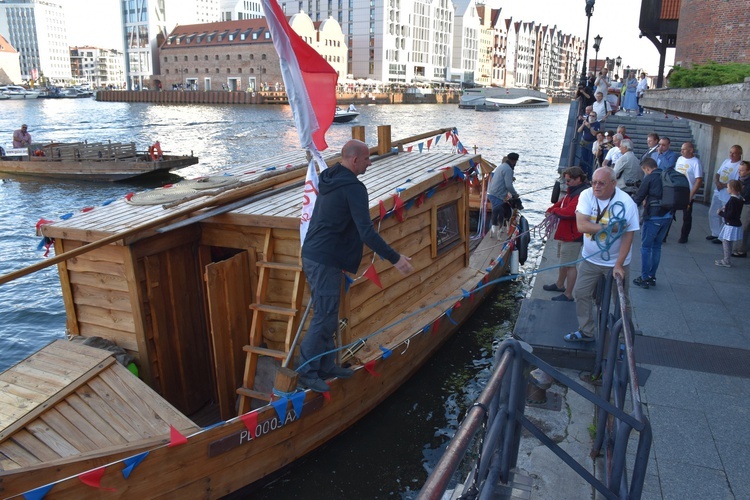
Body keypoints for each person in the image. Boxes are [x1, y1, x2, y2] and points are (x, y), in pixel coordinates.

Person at [298, 140, 414, 392]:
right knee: (324, 315)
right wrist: (395, 258)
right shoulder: (354, 188)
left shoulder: (330, 177)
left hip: (316, 253)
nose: (370, 163)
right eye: (367, 159)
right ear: (353, 160)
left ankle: (326, 365)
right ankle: (306, 372)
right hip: (324, 258)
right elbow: (366, 232)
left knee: (329, 312)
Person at [563, 167, 640, 343]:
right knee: (581, 293)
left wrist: (619, 264)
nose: (596, 187)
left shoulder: (627, 203)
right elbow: (581, 225)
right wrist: (611, 227)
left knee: (621, 301)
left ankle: (623, 339)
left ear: (613, 184)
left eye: (601, 183)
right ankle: (587, 331)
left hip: (615, 261)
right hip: (590, 259)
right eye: (594, 182)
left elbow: (629, 235)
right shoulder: (586, 195)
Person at [542, 167, 589, 301]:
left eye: (568, 180)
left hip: (572, 236)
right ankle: (559, 284)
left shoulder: (581, 195)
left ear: (578, 179)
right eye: (565, 180)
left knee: (570, 265)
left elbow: (569, 212)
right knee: (563, 262)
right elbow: (561, 203)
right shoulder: (573, 191)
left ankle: (568, 294)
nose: (566, 182)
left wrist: (554, 212)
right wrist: (551, 209)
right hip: (566, 233)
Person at [631, 158, 673, 288]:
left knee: (646, 248)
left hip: (654, 217)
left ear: (647, 169)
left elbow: (638, 197)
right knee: (657, 247)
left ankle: (644, 277)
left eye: (644, 171)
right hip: (668, 216)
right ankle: (652, 276)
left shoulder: (650, 178)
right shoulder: (668, 175)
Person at [707, 145, 743, 242]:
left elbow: (736, 182)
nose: (731, 154)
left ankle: (722, 237)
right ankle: (715, 233)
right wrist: (717, 182)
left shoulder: (739, 165)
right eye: (730, 152)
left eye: (734, 153)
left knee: (725, 215)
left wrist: (723, 185)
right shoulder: (726, 161)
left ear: (739, 154)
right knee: (713, 212)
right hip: (718, 191)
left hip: (727, 194)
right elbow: (718, 173)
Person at [674, 142, 703, 243]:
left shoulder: (696, 162)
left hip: (687, 193)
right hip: (676, 191)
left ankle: (684, 236)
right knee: (670, 212)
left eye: (684, 149)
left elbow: (699, 180)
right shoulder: (679, 159)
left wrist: (691, 194)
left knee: (686, 216)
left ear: (691, 150)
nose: (681, 151)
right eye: (681, 149)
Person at [488, 153, 519, 238]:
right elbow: (508, 185)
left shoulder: (501, 166)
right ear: (514, 161)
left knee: (495, 213)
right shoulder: (508, 169)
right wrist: (515, 195)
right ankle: (496, 232)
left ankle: (493, 231)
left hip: (492, 193)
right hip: (497, 195)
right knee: (499, 214)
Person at [715, 179, 744, 268]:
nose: (727, 189)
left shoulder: (732, 200)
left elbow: (729, 214)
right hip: (735, 223)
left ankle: (726, 260)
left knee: (726, 242)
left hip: (730, 224)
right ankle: (727, 259)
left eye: (728, 187)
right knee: (728, 242)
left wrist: (720, 213)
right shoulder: (740, 199)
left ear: (731, 188)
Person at [732, 160, 750, 257]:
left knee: (744, 227)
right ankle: (736, 247)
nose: (739, 172)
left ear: (748, 171)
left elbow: (746, 195)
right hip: (740, 204)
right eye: (739, 170)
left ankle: (741, 250)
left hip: (747, 205)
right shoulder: (740, 179)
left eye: (742, 170)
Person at [576, 110, 600, 177]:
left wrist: (589, 127)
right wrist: (583, 125)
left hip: (591, 143)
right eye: (590, 115)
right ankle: (583, 174)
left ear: (595, 117)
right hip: (584, 142)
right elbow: (579, 131)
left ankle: (589, 175)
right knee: (583, 158)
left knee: (590, 159)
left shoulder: (597, 124)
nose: (591, 117)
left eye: (593, 116)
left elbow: (595, 134)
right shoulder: (586, 122)